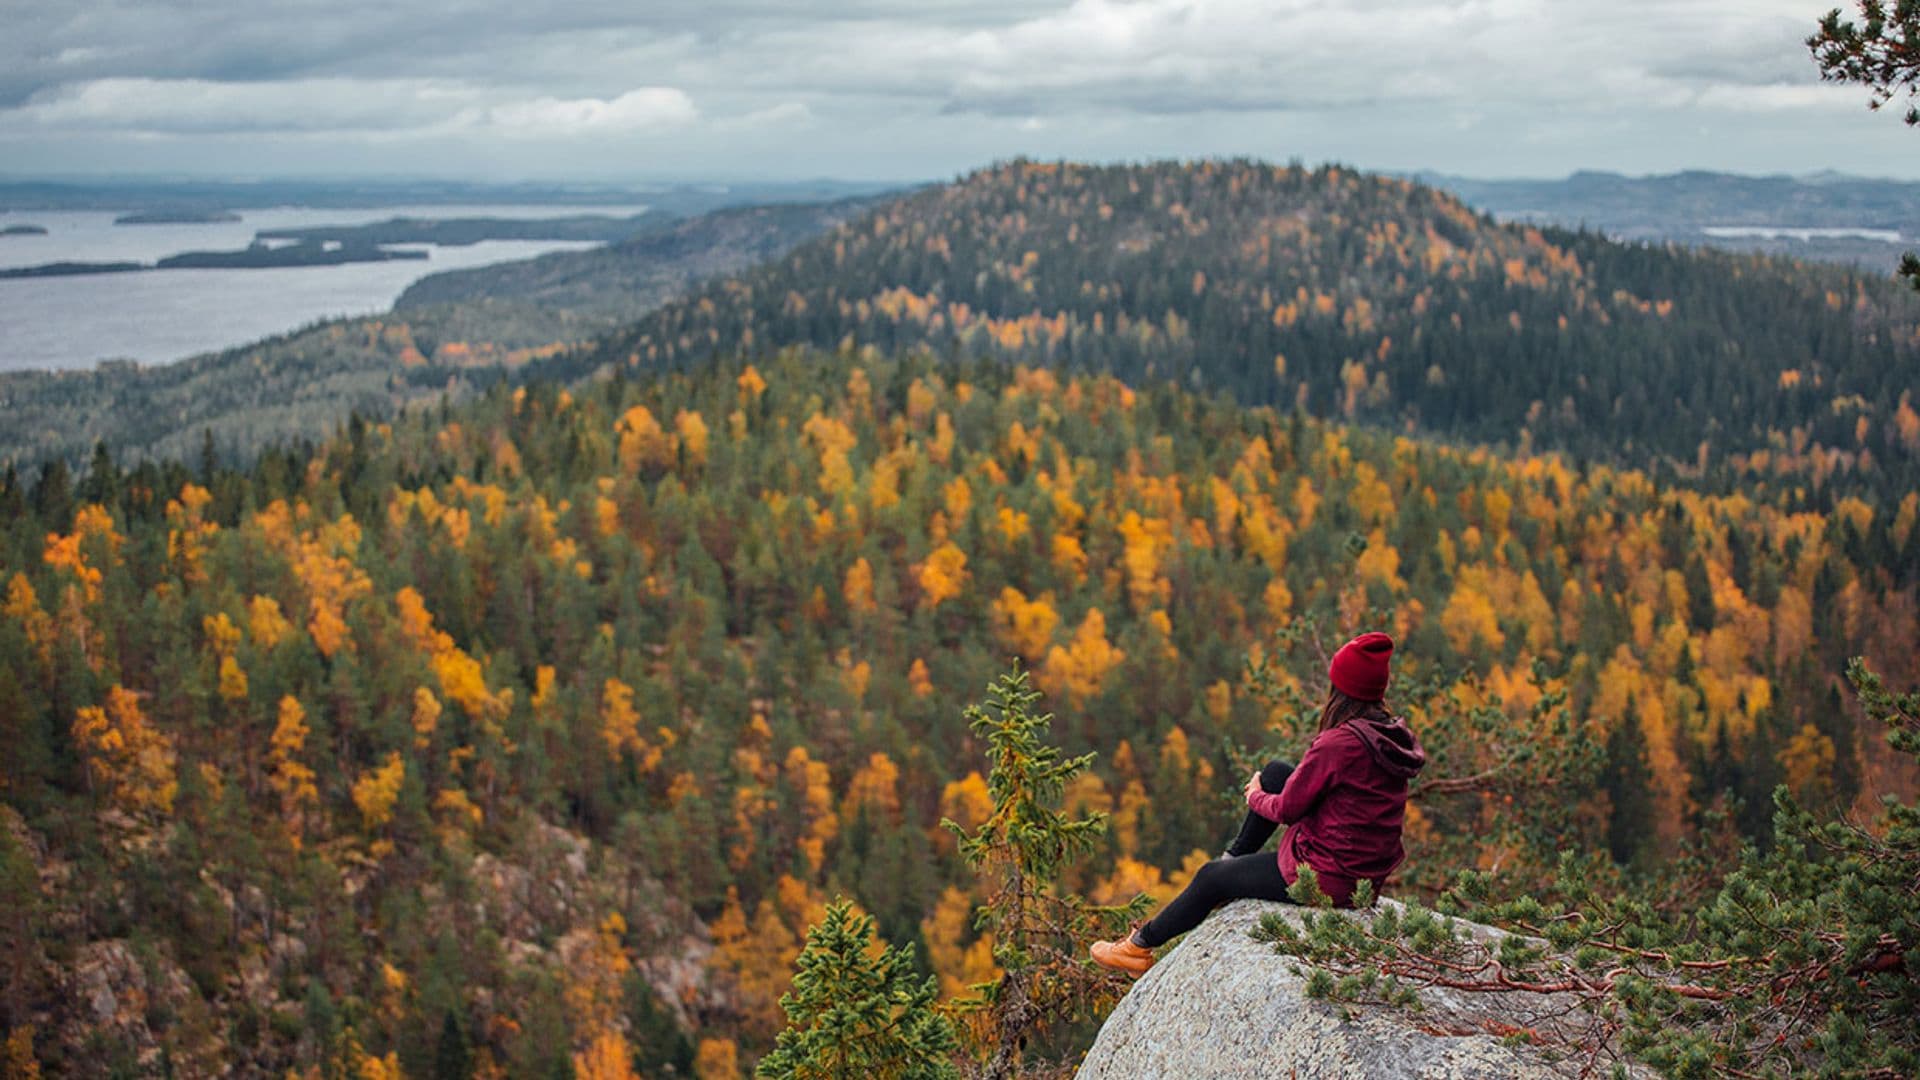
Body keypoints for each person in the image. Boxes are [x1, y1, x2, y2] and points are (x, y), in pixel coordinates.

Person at [1090, 631, 1425, 977]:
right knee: (1278, 772)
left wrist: (1254, 795)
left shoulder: (1340, 743)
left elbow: (1287, 810)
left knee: (1209, 877)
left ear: (1341, 689)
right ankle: (1232, 865)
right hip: (1363, 873)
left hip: (1328, 878)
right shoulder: (1386, 735)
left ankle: (1138, 947)